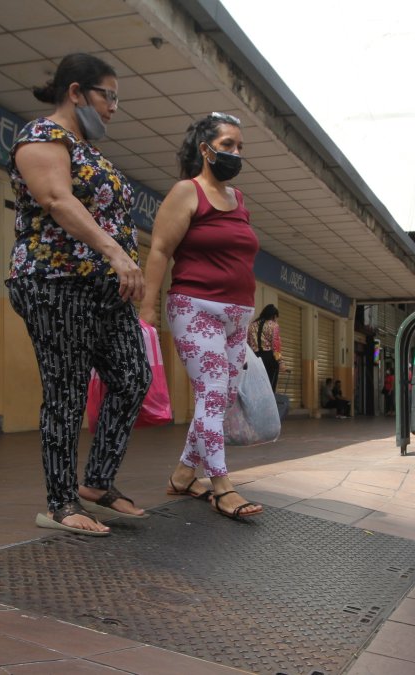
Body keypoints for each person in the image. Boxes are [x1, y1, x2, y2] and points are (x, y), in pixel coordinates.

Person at [5, 53, 151, 537]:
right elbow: (56, 200)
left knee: (133, 376)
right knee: (66, 392)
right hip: (55, 282)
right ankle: (62, 500)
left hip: (104, 290)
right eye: (108, 95)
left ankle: (97, 483)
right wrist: (116, 252)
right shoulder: (41, 138)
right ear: (75, 92)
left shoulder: (90, 151)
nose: (113, 107)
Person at [140, 112, 264, 521]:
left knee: (223, 396)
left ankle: (181, 475)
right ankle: (221, 484)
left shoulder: (238, 199)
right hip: (195, 308)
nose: (235, 153)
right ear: (205, 149)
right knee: (212, 393)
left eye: (240, 147)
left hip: (237, 314)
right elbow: (159, 250)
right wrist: (148, 309)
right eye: (228, 145)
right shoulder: (186, 192)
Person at [247, 304, 284, 391]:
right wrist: (280, 361)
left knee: (255, 386)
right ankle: (268, 404)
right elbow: (276, 346)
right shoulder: (274, 326)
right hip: (269, 358)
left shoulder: (251, 325)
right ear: (274, 316)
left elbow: (248, 342)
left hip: (254, 358)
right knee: (269, 387)